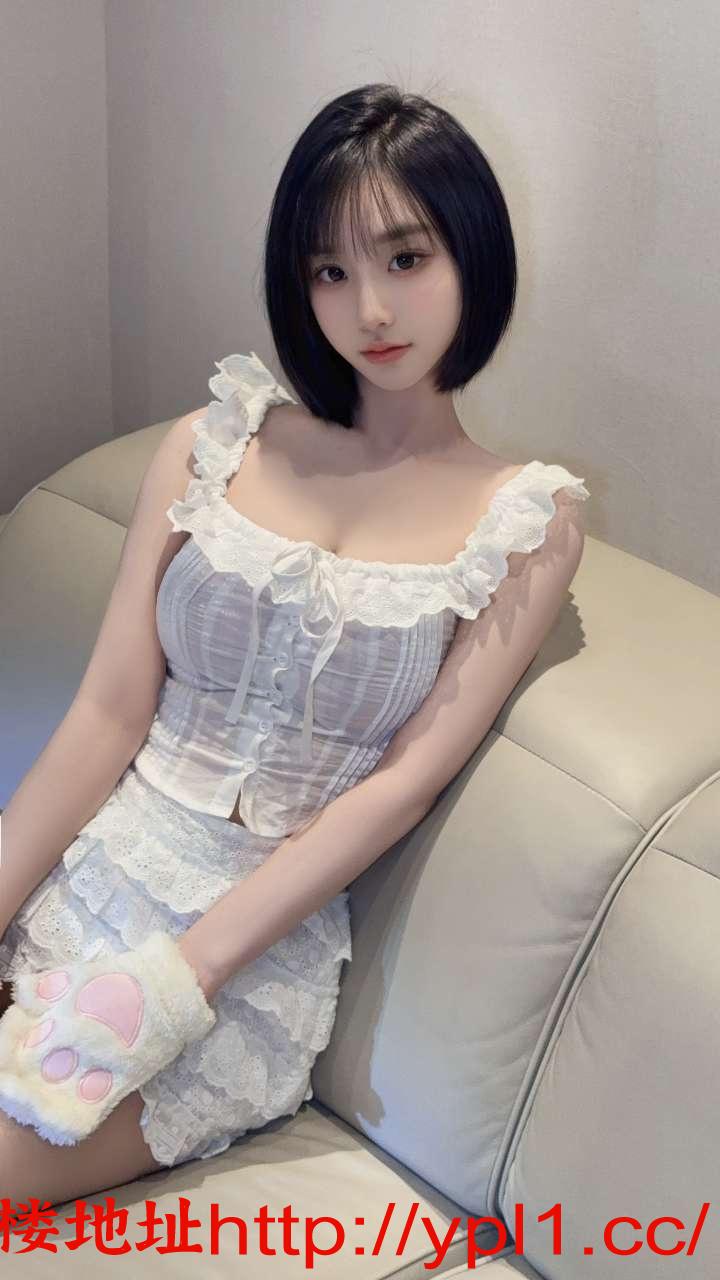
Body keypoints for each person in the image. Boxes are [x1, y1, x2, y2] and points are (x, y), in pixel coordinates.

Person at [0, 82, 589, 1208]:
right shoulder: (215, 440)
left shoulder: (526, 519)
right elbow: (108, 711)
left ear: (472, 250)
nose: (370, 307)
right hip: (86, 872)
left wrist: (175, 983)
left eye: (406, 257)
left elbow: (403, 785)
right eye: (329, 270)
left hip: (239, 963)